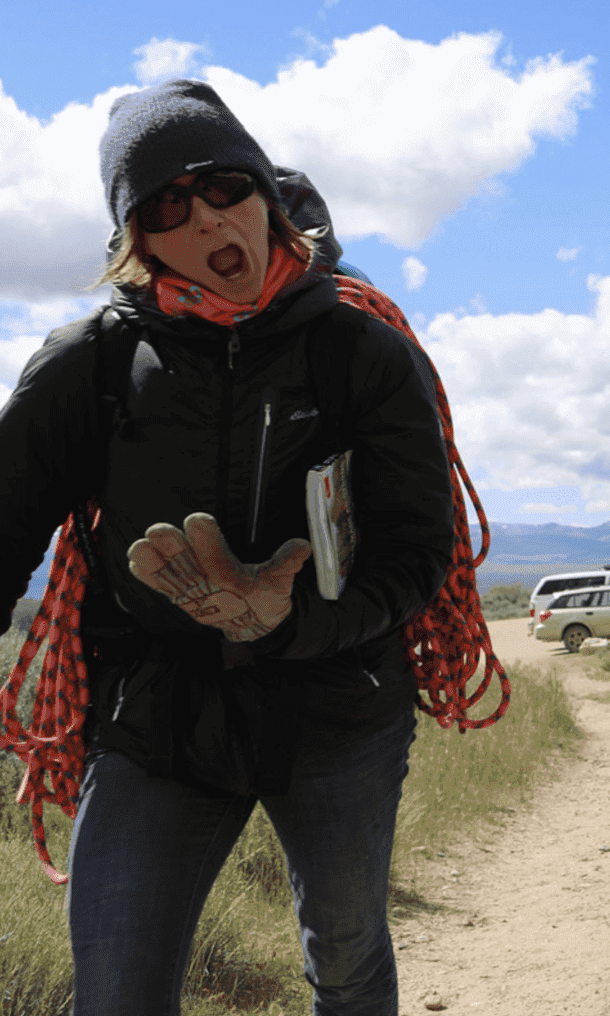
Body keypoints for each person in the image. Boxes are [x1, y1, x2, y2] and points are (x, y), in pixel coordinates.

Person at [0, 80, 454, 1015]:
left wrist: (293, 619)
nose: (205, 213)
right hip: (158, 719)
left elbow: (418, 554)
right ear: (137, 236)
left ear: (265, 192)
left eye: (222, 184)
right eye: (166, 202)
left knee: (347, 957)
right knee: (118, 993)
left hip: (340, 708)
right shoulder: (91, 365)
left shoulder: (360, 350)